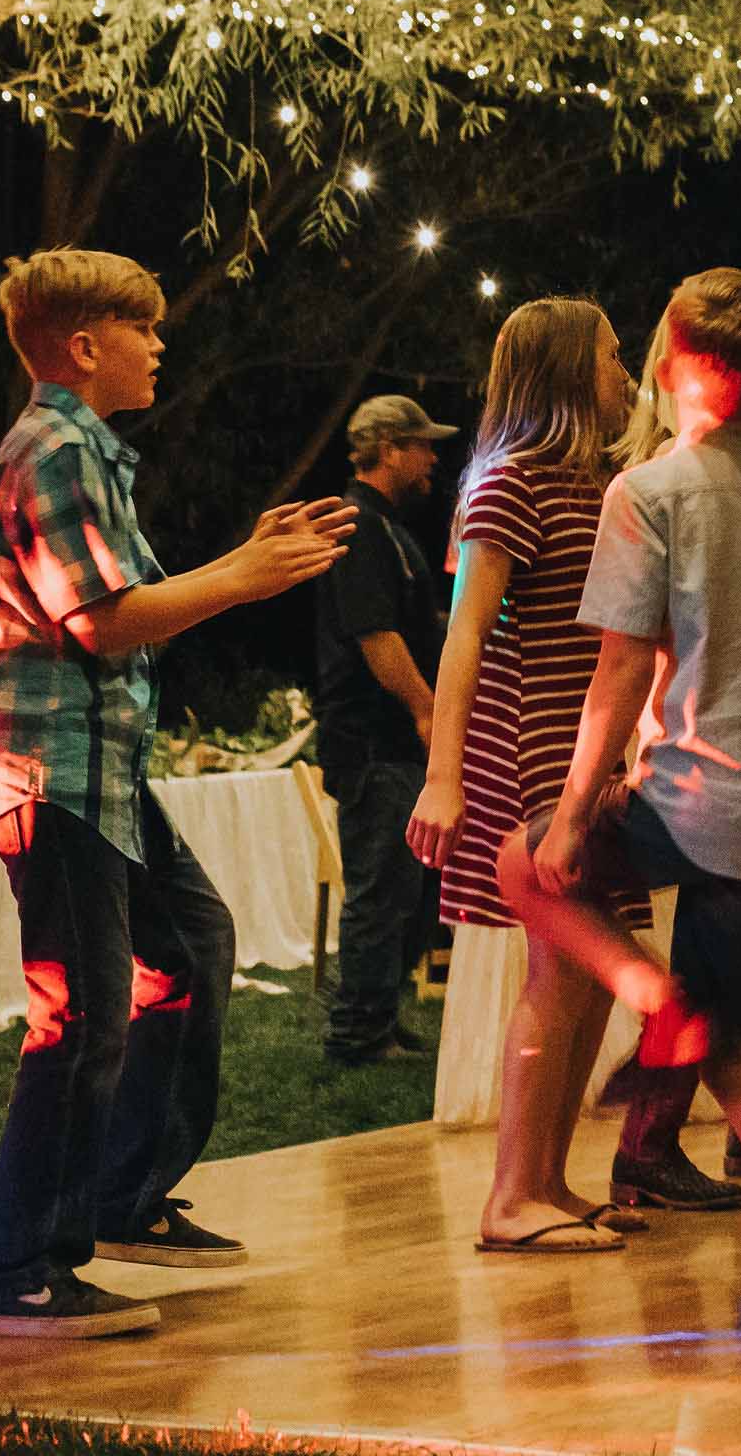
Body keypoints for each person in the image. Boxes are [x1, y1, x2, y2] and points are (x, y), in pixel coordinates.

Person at [0, 250, 354, 1337]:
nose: (161, 344)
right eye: (145, 328)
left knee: (193, 947)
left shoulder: (86, 452)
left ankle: (120, 1200)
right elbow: (102, 618)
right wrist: (246, 574)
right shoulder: (55, 452)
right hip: (48, 763)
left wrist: (240, 560)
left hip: (96, 763)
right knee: (78, 1012)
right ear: (86, 347)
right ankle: (19, 1273)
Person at [502, 267, 741, 1344]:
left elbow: (618, 672)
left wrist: (580, 806)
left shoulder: (649, 494)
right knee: (735, 1054)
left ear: (675, 360)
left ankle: (645, 993)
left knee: (519, 866)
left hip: (694, 790)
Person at [404, 298, 645, 1254]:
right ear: (564, 372)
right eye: (613, 356)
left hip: (592, 753)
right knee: (558, 967)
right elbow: (465, 633)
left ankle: (549, 1178)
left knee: (589, 973)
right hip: (533, 749)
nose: (627, 373)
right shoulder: (507, 486)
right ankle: (510, 1195)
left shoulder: (595, 483)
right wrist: (442, 775)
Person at [314, 392, 458, 1069]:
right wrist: (429, 710)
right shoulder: (358, 524)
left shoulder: (386, 526)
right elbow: (377, 637)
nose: (433, 457)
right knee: (380, 889)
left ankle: (382, 1019)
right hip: (375, 743)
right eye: (423, 444)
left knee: (407, 889)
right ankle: (357, 1034)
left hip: (392, 744)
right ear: (390, 448)